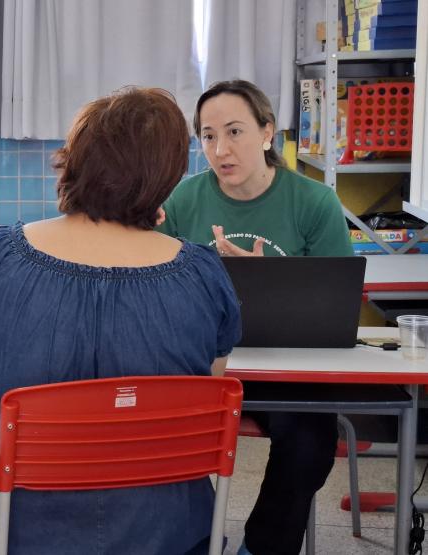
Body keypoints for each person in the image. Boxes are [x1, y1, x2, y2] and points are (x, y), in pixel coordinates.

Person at [0, 87, 242, 554]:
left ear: (75, 161)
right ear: (167, 177)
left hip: (15, 525)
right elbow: (204, 387)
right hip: (161, 530)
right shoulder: (204, 274)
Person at [157, 79, 354, 555]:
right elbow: (159, 289)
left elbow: (339, 300)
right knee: (150, 427)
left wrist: (273, 279)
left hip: (289, 369)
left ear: (268, 132)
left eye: (235, 131)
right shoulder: (182, 200)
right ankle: (187, 542)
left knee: (309, 442)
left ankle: (262, 548)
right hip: (203, 365)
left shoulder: (314, 202)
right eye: (207, 135)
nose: (221, 149)